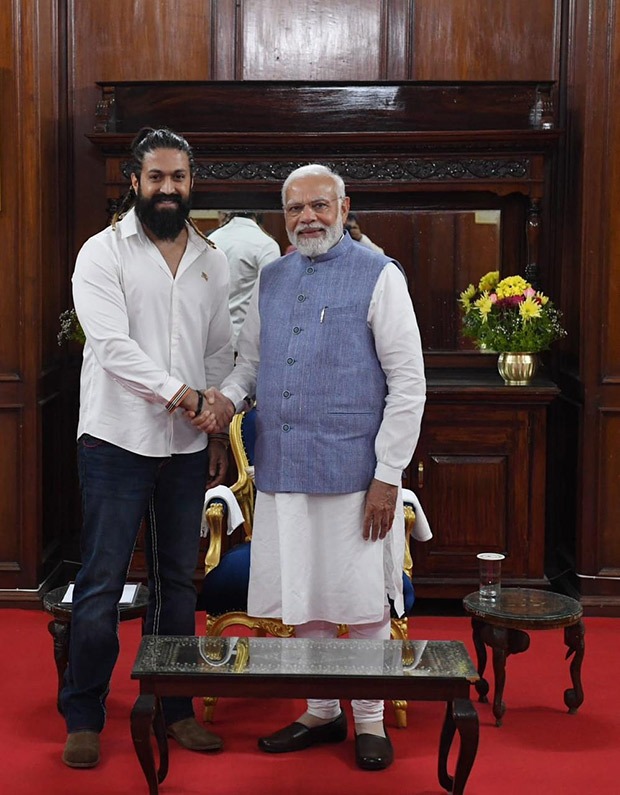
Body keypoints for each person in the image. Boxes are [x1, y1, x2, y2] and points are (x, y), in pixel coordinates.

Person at [200, 164, 426, 770]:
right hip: (283, 469)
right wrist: (222, 402)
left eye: (320, 206)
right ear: (284, 216)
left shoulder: (381, 276)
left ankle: (372, 721)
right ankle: (322, 713)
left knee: (364, 604)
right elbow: (248, 368)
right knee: (306, 600)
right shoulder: (270, 279)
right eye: (296, 208)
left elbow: (409, 383)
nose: (308, 218)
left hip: (357, 476)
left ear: (344, 208)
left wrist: (388, 475)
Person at [60, 127, 235, 770]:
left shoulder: (211, 260)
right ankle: (83, 714)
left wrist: (214, 413)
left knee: (178, 586)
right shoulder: (101, 254)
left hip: (185, 447)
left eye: (179, 178)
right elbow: (110, 348)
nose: (168, 188)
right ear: (133, 182)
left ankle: (176, 707)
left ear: (192, 184)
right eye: (156, 177)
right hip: (115, 441)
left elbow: (221, 349)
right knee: (101, 584)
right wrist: (185, 395)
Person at [208, 212, 281, 348]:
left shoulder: (213, 239)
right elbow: (272, 298)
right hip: (245, 342)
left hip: (212, 340)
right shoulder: (265, 244)